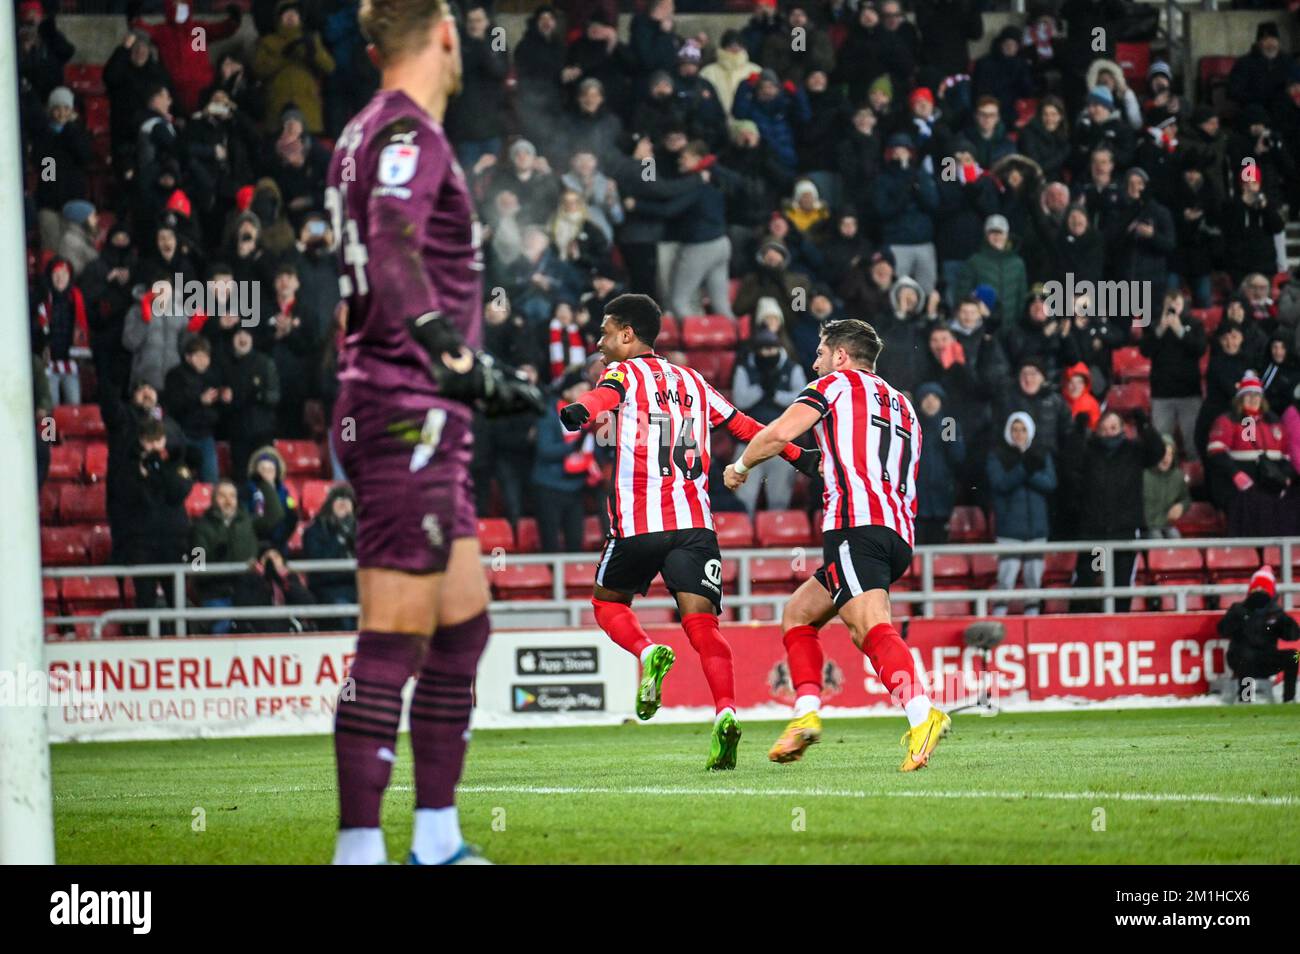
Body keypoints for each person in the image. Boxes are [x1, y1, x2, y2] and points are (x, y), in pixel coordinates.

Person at [324, 0, 542, 867]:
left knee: (461, 630)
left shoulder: (361, 131)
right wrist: (452, 357)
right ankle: (358, 852)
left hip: (416, 410)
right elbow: (391, 241)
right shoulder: (411, 134)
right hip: (403, 403)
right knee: (394, 636)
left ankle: (438, 842)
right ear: (446, 33)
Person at [557, 294, 819, 769]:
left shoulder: (623, 372)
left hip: (640, 523)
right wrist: (799, 456)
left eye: (605, 332)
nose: (598, 343)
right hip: (696, 525)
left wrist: (581, 410)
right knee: (703, 626)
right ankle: (725, 712)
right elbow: (743, 426)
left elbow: (606, 397)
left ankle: (647, 649)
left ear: (628, 335)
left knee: (607, 603)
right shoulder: (694, 380)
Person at [723, 320, 949, 771]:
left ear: (841, 357)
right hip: (898, 531)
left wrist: (741, 465)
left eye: (821, 353)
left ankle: (923, 713)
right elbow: (835, 463)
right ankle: (805, 714)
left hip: (855, 525)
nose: (815, 362)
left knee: (867, 627)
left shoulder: (835, 386)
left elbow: (778, 433)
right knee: (798, 613)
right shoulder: (903, 406)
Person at [1067, 410, 1164, 611]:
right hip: (1095, 534)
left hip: (1124, 532)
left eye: (1113, 428)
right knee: (1089, 578)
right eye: (1104, 428)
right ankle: (1080, 626)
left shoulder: (1133, 451)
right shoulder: (1090, 450)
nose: (1109, 433)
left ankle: (1120, 624)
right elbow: (1070, 461)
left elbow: (1157, 452)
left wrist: (1144, 425)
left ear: (1122, 429)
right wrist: (1077, 430)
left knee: (1121, 583)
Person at [1206, 372, 1296, 538]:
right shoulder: (1228, 420)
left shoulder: (1274, 421)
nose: (1253, 399)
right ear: (1240, 399)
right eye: (1248, 395)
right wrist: (1235, 474)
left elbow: (1286, 455)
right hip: (1243, 495)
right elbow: (1216, 452)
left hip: (1271, 492)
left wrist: (1285, 476)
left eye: (1257, 395)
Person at [731, 329, 808, 516]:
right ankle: (745, 536)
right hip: (748, 443)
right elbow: (739, 400)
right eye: (763, 350)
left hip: (781, 444)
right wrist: (761, 389)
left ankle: (776, 536)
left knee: (779, 497)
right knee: (744, 496)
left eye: (771, 349)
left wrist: (776, 394)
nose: (767, 354)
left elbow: (802, 399)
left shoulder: (792, 368)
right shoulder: (744, 367)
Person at [987, 412, 1056, 615]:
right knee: (1006, 578)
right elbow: (1000, 483)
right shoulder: (997, 455)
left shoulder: (1042, 454)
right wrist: (1025, 469)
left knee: (1034, 579)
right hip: (1009, 529)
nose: (1019, 434)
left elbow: (1050, 483)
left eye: (1023, 429)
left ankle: (1032, 618)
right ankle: (999, 617)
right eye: (1015, 429)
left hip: (1037, 529)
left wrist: (1026, 472)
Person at [531, 369, 599, 553]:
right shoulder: (549, 415)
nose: (584, 395)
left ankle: (571, 579)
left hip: (575, 488)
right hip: (549, 487)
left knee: (575, 541)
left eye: (587, 391)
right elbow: (545, 450)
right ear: (567, 392)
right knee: (550, 543)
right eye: (579, 390)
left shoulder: (587, 416)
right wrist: (574, 446)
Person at [1141, 291, 1206, 462]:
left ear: (1183, 305)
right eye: (1170, 304)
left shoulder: (1194, 323)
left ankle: (1195, 483)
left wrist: (1180, 331)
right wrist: (1160, 329)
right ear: (1164, 305)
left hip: (1189, 393)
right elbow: (1144, 350)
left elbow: (1200, 349)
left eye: (1176, 303)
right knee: (1161, 445)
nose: (1173, 307)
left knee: (1193, 443)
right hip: (1161, 394)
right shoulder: (1154, 325)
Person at [1219, 565, 1298, 704]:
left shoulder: (1275, 613)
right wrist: (1240, 615)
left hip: (1266, 659)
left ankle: (1289, 699)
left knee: (1294, 656)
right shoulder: (1239, 609)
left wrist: (1281, 618)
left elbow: (1293, 635)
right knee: (1245, 656)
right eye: (1256, 589)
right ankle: (1246, 698)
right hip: (1241, 660)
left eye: (1263, 589)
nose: (1259, 593)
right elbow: (1222, 630)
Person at [190, 479, 260, 634]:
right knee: (221, 626)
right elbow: (197, 566)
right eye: (222, 496)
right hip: (215, 592)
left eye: (232, 496)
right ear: (214, 500)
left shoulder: (248, 523)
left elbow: (275, 518)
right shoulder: (200, 527)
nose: (228, 501)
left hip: (246, 590)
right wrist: (217, 559)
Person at [914, 382, 965, 546]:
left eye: (935, 397)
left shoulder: (947, 424)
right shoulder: (913, 424)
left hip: (942, 500)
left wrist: (949, 440)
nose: (930, 401)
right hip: (918, 502)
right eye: (926, 397)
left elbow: (957, 457)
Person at [302, 483, 359, 630]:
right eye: (339, 498)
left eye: (348, 500)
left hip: (357, 587)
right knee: (342, 608)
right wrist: (340, 537)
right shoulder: (315, 530)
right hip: (328, 589)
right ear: (330, 504)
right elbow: (318, 566)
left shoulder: (361, 531)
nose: (344, 503)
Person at [1142, 436, 1190, 540]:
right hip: (1145, 527)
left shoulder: (1177, 476)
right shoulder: (1142, 474)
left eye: (1170, 454)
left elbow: (1186, 498)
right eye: (1162, 454)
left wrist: (1181, 506)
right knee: (1156, 537)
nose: (1166, 458)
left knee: (1175, 536)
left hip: (1166, 525)